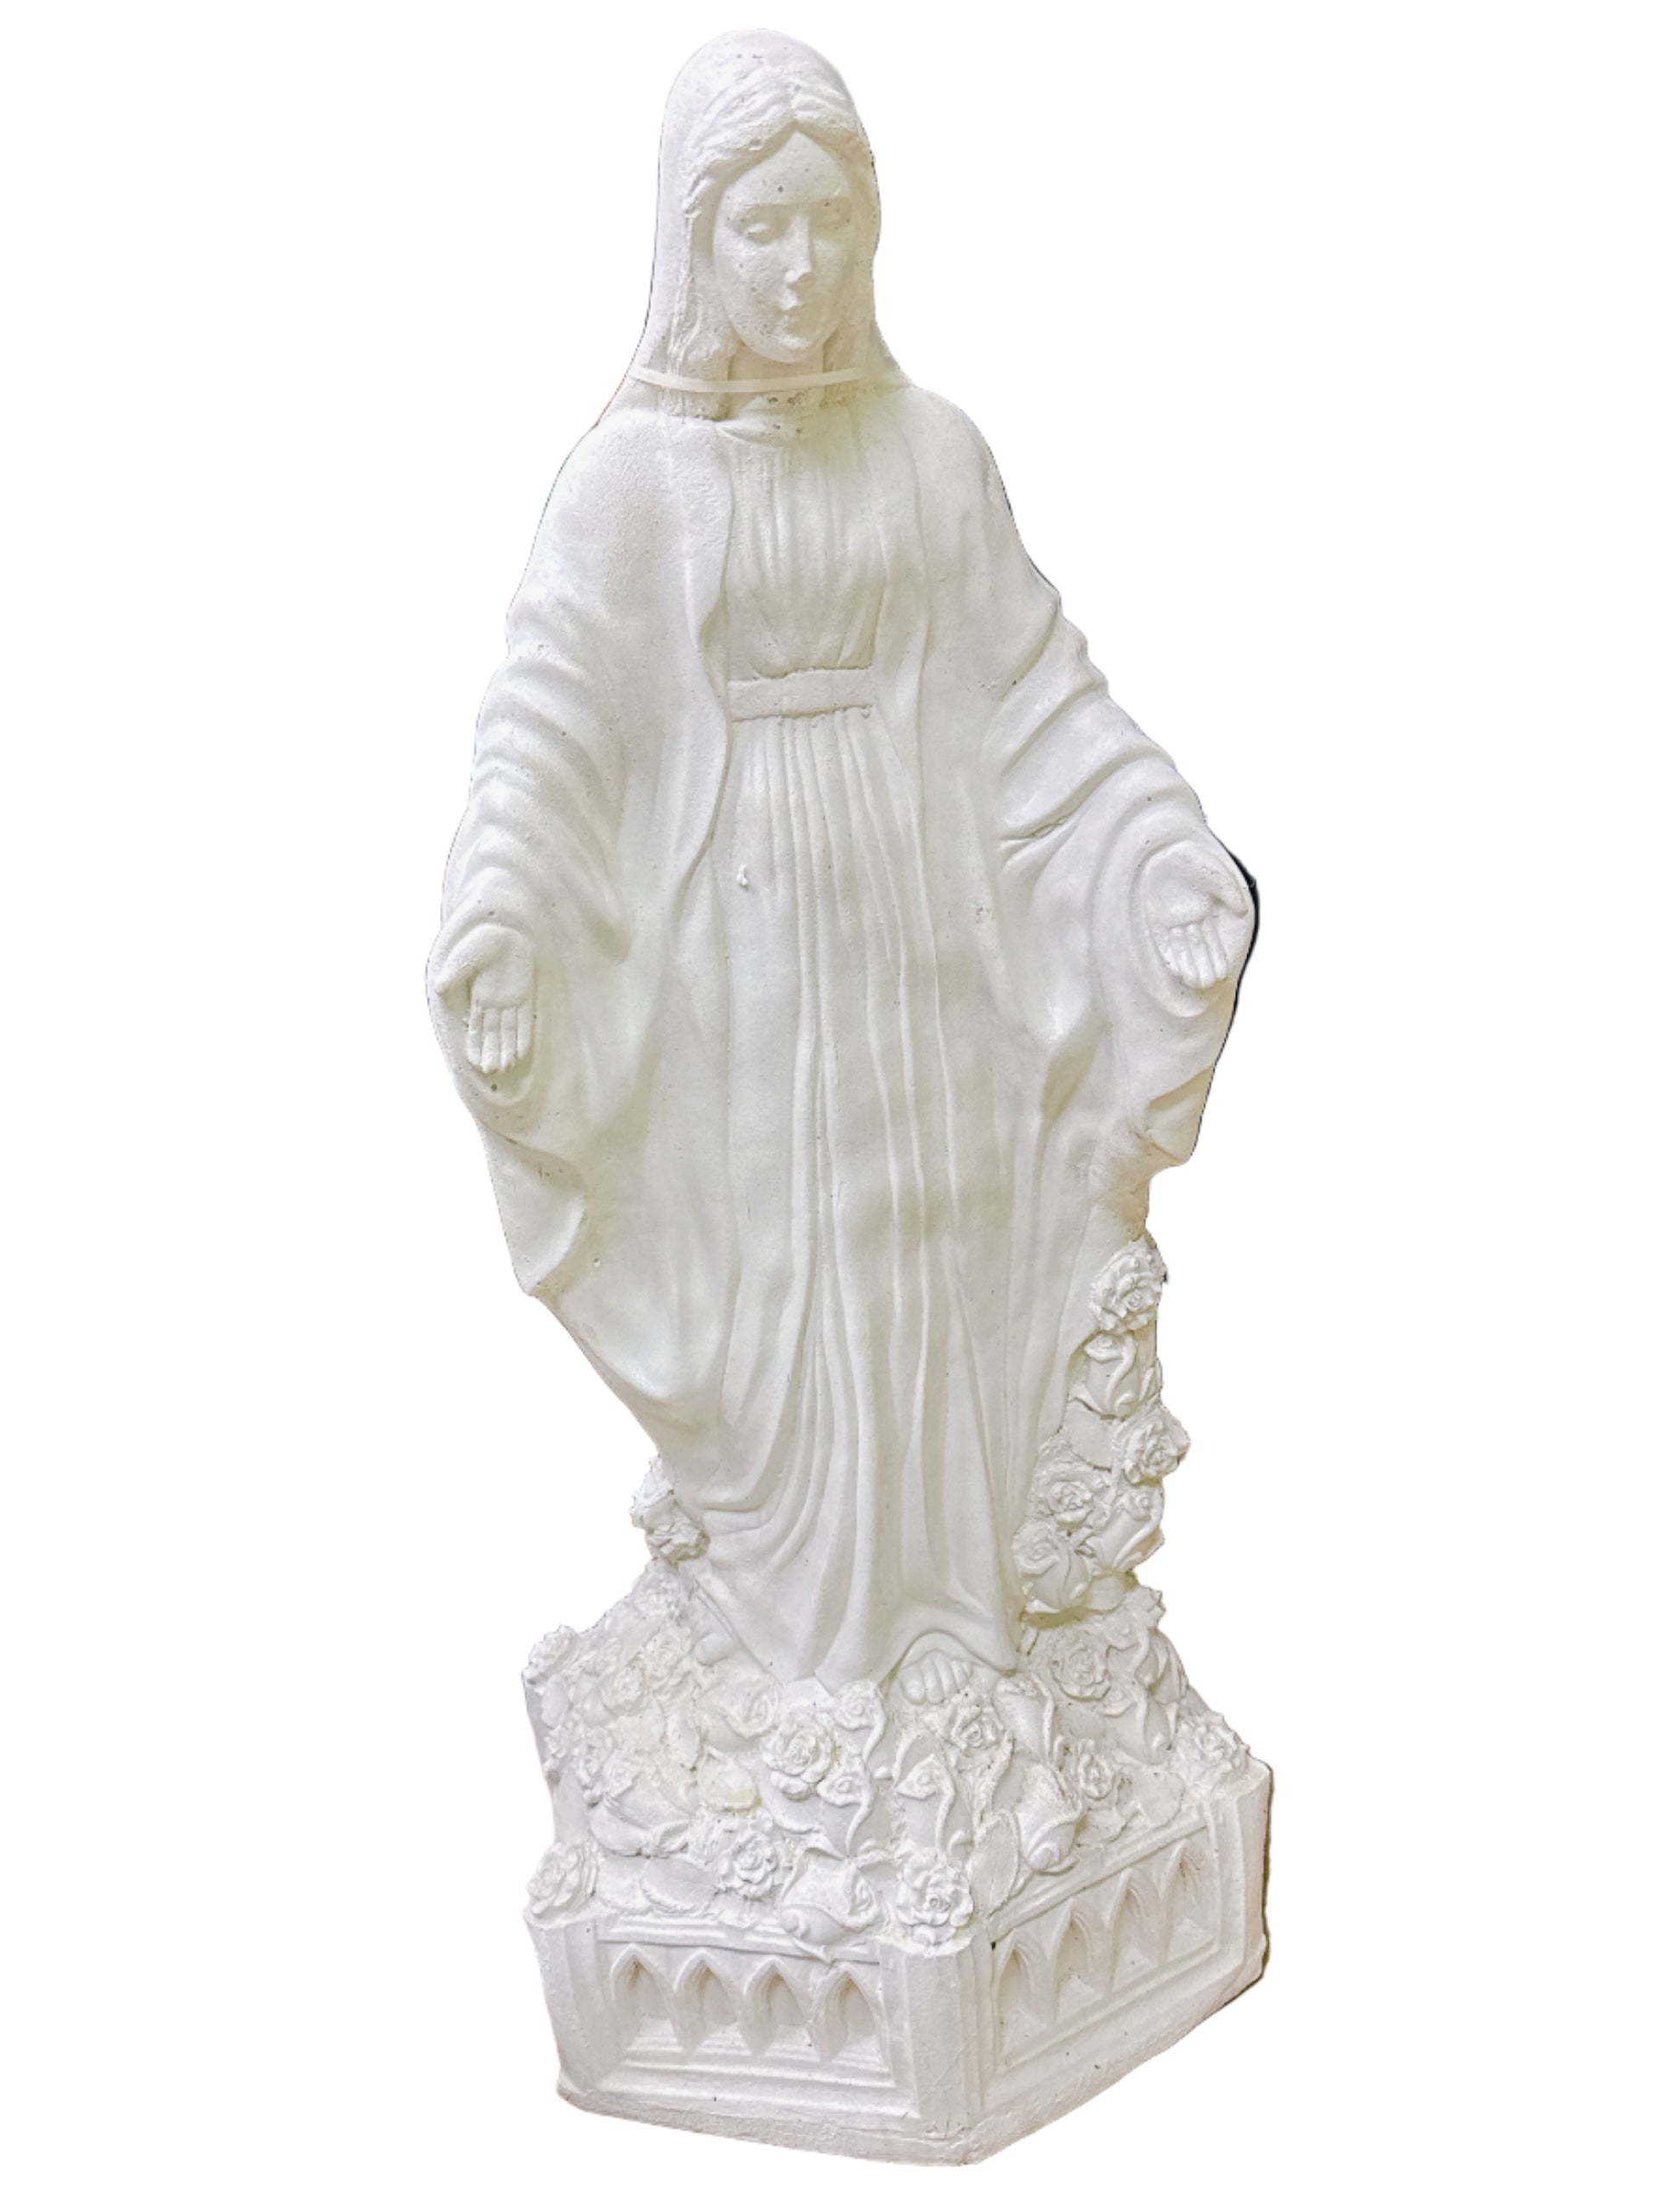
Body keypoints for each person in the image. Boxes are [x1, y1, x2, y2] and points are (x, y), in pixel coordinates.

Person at [429, 30, 1253, 1699]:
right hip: (737, 955)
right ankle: (798, 1628)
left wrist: (1159, 851)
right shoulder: (627, 484)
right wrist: (504, 916)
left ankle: (948, 1617)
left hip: (914, 925)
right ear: (693, 239)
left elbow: (1038, 696)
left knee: (923, 1251)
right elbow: (546, 727)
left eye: (832, 220)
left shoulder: (929, 451)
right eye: (763, 225)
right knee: (788, 1282)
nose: (802, 265)